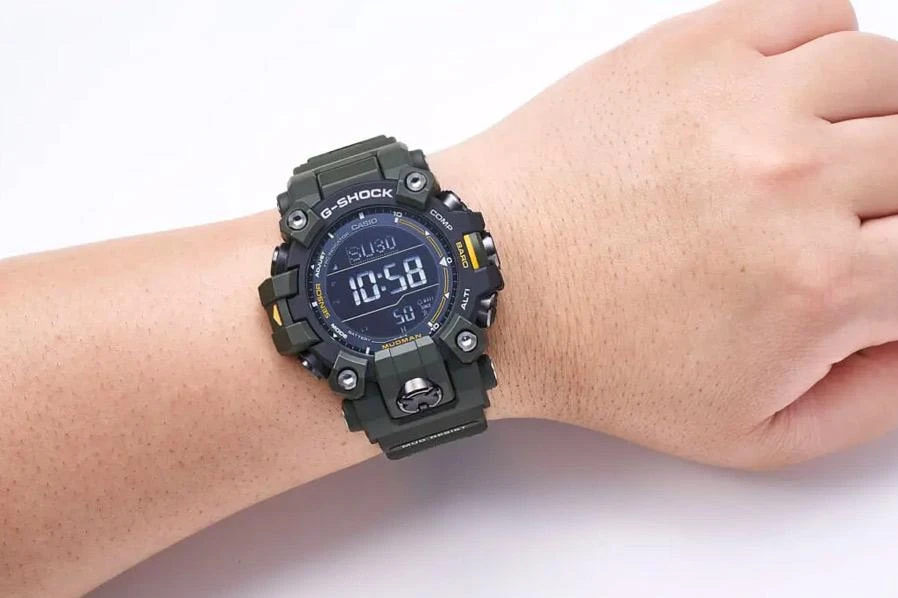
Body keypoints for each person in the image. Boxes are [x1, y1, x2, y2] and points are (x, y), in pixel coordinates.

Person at [3, 0, 897, 595]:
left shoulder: (402, 263)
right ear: (290, 311)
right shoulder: (324, 318)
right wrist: (552, 257)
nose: (383, 281)